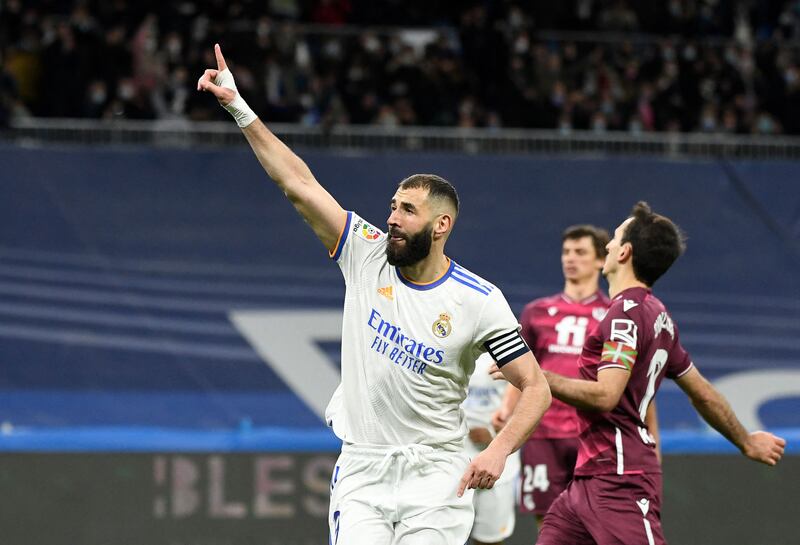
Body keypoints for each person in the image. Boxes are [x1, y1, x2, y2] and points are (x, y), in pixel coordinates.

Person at [197, 44, 552, 545]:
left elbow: (536, 388)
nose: (392, 218)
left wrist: (498, 451)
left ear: (442, 224)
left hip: (437, 473)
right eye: (392, 206)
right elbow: (298, 182)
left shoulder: (479, 300)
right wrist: (238, 106)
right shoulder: (365, 254)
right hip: (363, 468)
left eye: (408, 210)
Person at [534, 202, 786, 545]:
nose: (607, 245)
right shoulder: (658, 315)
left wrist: (537, 376)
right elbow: (703, 392)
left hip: (620, 480)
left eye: (616, 237)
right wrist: (746, 441)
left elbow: (606, 395)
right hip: (588, 480)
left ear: (624, 252)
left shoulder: (624, 314)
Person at [494, 224, 662, 531]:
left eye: (581, 252)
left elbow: (636, 385)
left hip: (595, 435)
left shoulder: (616, 313)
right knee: (549, 524)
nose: (571, 259)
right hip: (542, 433)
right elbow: (523, 368)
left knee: (600, 522)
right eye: (566, 252)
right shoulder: (536, 312)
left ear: (601, 260)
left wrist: (653, 441)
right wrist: (507, 409)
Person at [462, 353, 522, 545]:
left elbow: (529, 392)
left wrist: (496, 437)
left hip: (498, 468)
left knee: (489, 540)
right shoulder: (449, 343)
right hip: (453, 459)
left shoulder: (508, 348)